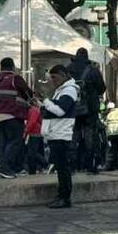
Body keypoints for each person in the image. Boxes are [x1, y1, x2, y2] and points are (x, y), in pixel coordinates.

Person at [0, 57, 35, 179]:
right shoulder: (15, 78)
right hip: (13, 114)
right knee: (15, 141)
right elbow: (29, 93)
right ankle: (5, 168)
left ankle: (9, 168)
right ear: (13, 67)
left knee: (4, 143)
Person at [41, 65, 81, 208]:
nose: (53, 81)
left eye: (54, 77)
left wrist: (45, 102)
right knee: (60, 167)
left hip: (62, 133)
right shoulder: (61, 91)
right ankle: (61, 196)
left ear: (63, 75)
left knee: (63, 168)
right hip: (56, 132)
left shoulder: (69, 90)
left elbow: (59, 110)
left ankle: (64, 197)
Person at [65, 49, 105, 174]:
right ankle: (90, 166)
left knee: (73, 135)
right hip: (90, 109)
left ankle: (71, 166)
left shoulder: (68, 69)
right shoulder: (93, 70)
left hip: (72, 108)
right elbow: (102, 88)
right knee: (90, 136)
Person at [24, 100, 48, 174]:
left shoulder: (33, 110)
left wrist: (26, 130)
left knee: (32, 153)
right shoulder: (36, 110)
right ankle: (33, 170)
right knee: (35, 153)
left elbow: (32, 122)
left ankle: (46, 163)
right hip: (37, 133)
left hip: (34, 133)